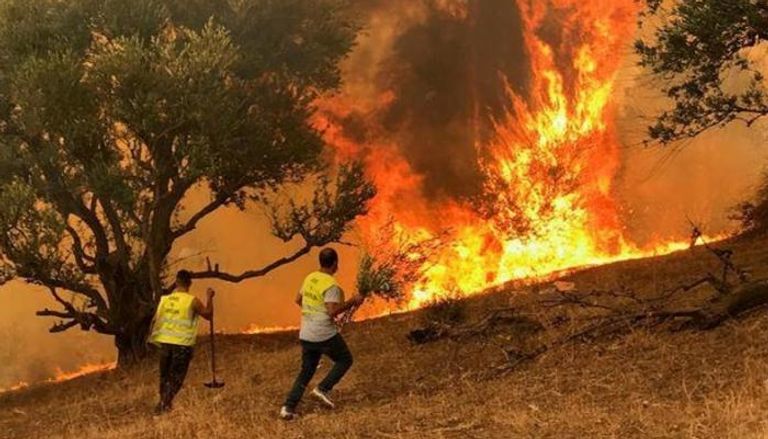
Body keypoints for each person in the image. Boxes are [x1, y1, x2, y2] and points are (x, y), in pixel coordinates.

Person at [280, 248, 363, 420]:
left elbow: (298, 300)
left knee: (306, 371)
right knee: (345, 359)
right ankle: (322, 389)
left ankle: (288, 408)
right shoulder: (330, 285)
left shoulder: (310, 277)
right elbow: (332, 311)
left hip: (306, 333)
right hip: (323, 333)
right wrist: (353, 301)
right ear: (334, 264)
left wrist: (312, 313)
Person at [148, 269, 215, 415]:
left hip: (164, 343)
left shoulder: (164, 300)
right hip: (181, 345)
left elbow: (155, 320)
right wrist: (209, 297)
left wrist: (152, 340)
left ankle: (165, 404)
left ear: (176, 282)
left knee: (164, 376)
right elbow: (208, 315)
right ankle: (163, 405)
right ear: (189, 283)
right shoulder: (192, 301)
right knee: (176, 377)